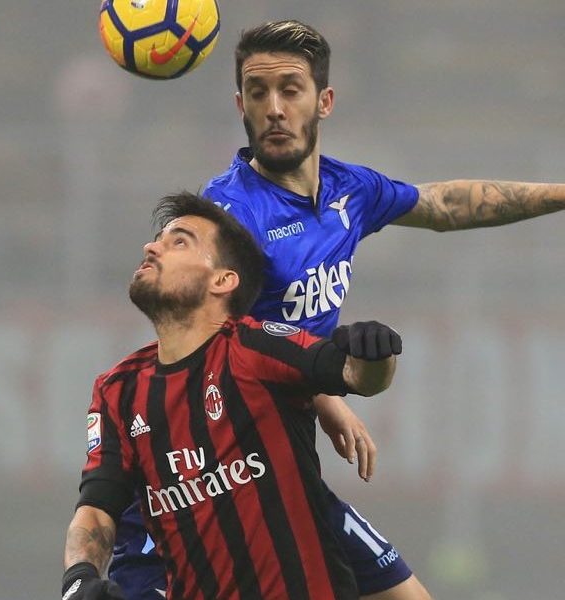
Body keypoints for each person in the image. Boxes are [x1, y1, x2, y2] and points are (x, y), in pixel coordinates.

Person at [111, 19, 565, 600]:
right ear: (240, 106)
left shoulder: (350, 190)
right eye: (258, 93)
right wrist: (326, 396)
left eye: (290, 90)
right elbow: (217, 337)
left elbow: (445, 204)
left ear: (324, 101)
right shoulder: (228, 214)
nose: (274, 108)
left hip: (280, 452)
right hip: (213, 465)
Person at [62, 192, 403, 600]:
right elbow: (97, 507)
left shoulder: (255, 348)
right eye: (158, 239)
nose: (151, 247)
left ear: (223, 280)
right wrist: (78, 578)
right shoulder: (118, 390)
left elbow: (355, 374)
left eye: (179, 241)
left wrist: (375, 351)